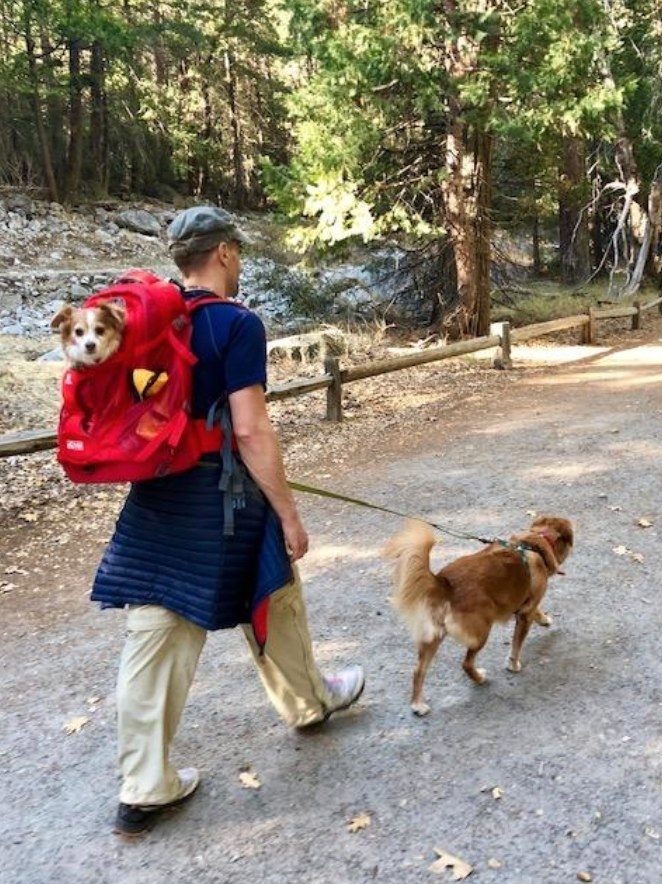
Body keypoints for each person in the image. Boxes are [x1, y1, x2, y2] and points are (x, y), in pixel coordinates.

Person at [90, 205, 365, 837]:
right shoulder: (235, 324)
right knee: (273, 588)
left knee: (156, 629)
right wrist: (289, 511)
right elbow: (248, 427)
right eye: (237, 251)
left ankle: (143, 785)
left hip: (156, 493)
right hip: (226, 497)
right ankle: (308, 703)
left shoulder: (149, 327)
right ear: (224, 254)